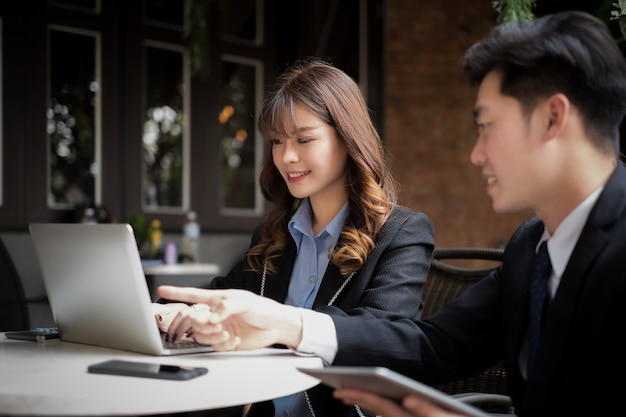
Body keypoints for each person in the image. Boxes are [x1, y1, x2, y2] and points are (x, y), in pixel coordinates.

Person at [157, 10, 626, 417]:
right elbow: (431, 345)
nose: (476, 154)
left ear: (552, 118)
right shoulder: (532, 247)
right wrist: (287, 322)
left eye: (486, 127)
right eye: (277, 142)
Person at [154, 58, 435, 417]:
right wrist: (182, 312)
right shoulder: (274, 233)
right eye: (276, 141)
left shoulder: (402, 234)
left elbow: (381, 337)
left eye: (304, 139)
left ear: (349, 140)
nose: (286, 156)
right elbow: (224, 294)